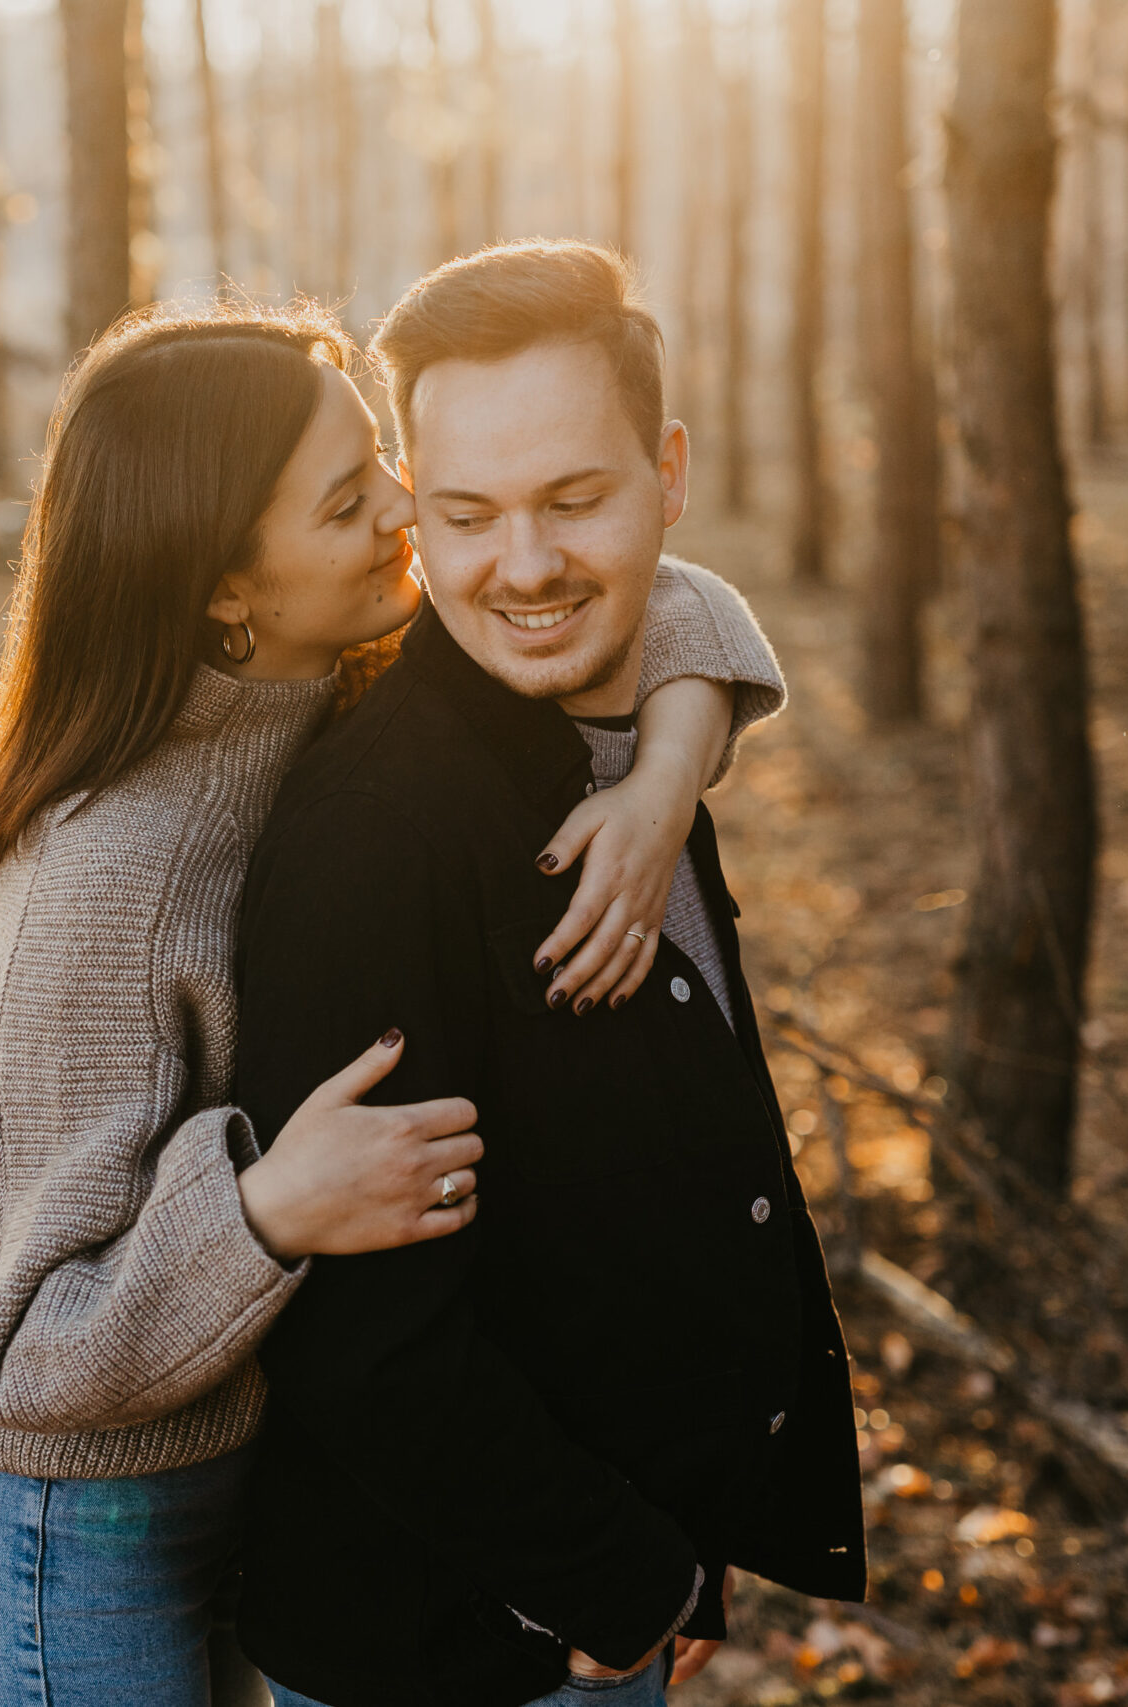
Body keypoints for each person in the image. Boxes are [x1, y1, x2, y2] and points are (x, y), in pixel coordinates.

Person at [0, 298, 790, 1707]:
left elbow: (667, 594)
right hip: (49, 1539)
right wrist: (263, 1215)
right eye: (356, 499)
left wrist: (666, 775)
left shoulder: (318, 687)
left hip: (200, 1495)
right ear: (227, 585)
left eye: (391, 470)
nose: (414, 517)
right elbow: (19, 1359)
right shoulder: (106, 884)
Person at [231, 243, 867, 1707]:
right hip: (456, 1647)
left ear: (669, 474)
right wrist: (621, 1574)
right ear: (413, 516)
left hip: (598, 1595)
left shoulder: (635, 737)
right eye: (467, 515)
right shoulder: (378, 833)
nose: (522, 568)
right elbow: (361, 1336)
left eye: (575, 500)